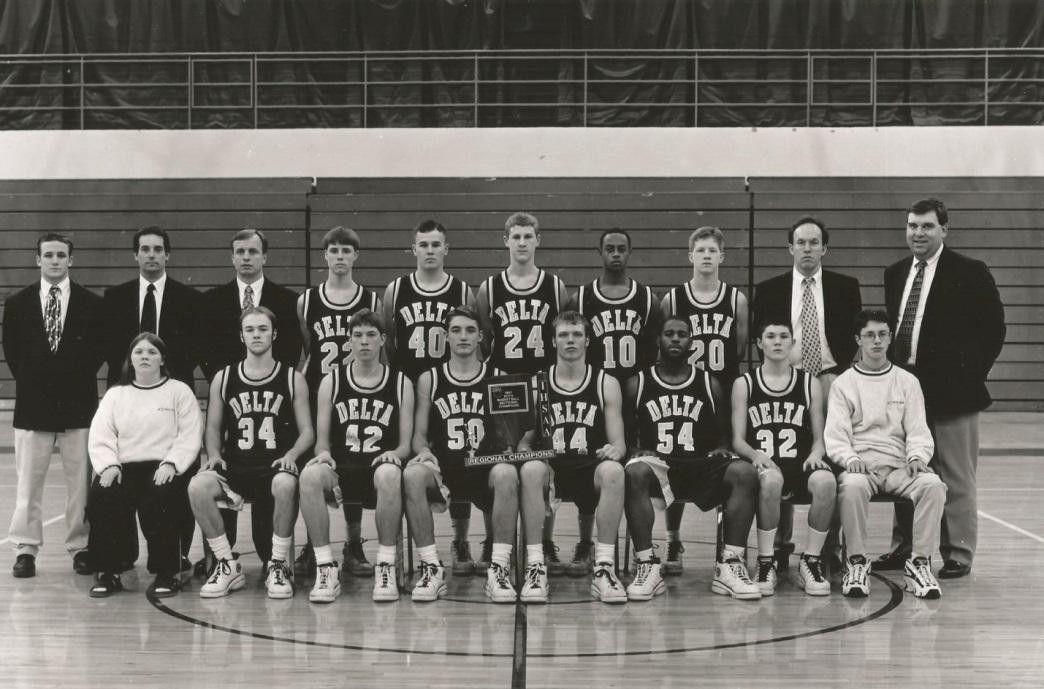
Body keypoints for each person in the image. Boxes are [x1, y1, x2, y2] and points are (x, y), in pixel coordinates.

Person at [879, 198, 1005, 580]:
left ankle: (958, 552)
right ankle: (905, 546)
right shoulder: (895, 273)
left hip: (955, 392)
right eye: (912, 226)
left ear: (944, 230)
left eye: (927, 226)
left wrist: (968, 376)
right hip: (905, 391)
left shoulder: (970, 271)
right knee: (907, 469)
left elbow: (994, 330)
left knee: (956, 475)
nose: (918, 233)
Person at [751, 216, 861, 570]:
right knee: (781, 451)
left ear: (824, 248)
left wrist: (837, 377)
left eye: (815, 242)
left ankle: (829, 546)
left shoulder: (846, 287)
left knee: (830, 458)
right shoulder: (770, 289)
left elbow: (853, 338)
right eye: (801, 242)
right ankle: (779, 544)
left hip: (831, 380)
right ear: (790, 248)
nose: (808, 248)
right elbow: (761, 339)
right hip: (787, 381)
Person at [624, 317, 760, 602]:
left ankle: (730, 564)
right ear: (658, 340)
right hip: (660, 466)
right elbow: (625, 435)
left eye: (682, 334)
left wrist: (722, 447)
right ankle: (647, 564)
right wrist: (635, 450)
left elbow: (723, 434)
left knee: (744, 472)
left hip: (698, 464)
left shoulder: (709, 383)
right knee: (634, 472)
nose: (675, 339)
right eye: (669, 333)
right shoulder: (638, 383)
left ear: (692, 342)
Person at [189, 307, 313, 599]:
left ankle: (278, 564)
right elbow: (213, 428)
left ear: (274, 334)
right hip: (236, 468)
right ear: (241, 336)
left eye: (262, 329)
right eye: (250, 330)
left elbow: (307, 431)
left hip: (274, 469)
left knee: (285, 483)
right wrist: (214, 454)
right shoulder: (224, 377)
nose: (256, 335)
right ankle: (226, 563)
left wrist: (291, 456)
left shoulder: (292, 377)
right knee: (197, 486)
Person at [3, 233, 105, 578]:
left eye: (61, 255)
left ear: (70, 260)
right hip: (33, 405)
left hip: (78, 403)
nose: (55, 260)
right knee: (28, 483)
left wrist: (67, 380)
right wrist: (40, 382)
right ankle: (25, 549)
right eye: (49, 255)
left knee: (80, 483)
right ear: (38, 260)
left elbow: (96, 353)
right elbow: (13, 353)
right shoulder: (17, 303)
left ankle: (80, 546)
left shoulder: (91, 303)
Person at [476, 212, 572, 576]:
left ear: (537, 240)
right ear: (506, 241)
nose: (521, 242)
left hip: (545, 384)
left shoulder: (555, 287)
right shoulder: (489, 288)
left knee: (544, 462)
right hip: (505, 385)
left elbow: (561, 333)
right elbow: (486, 338)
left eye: (527, 236)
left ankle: (544, 541)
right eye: (515, 236)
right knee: (499, 459)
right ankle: (492, 540)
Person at [101, 226, 202, 570]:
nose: (151, 255)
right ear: (136, 255)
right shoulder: (115, 297)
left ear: (167, 254)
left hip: (172, 400)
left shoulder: (189, 299)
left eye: (158, 249)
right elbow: (109, 350)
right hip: (128, 398)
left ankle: (178, 553)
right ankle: (121, 556)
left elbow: (195, 351)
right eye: (145, 249)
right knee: (118, 481)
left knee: (176, 477)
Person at [403, 307, 520, 603]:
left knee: (507, 472)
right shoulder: (430, 379)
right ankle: (431, 568)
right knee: (413, 474)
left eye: (470, 330)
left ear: (480, 337)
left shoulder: (499, 377)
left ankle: (499, 568)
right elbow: (418, 435)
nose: (463, 336)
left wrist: (507, 451)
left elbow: (510, 438)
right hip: (446, 469)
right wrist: (424, 451)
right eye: (456, 330)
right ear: (446, 337)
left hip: (485, 470)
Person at [826, 310, 946, 599]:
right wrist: (851, 459)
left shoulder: (907, 381)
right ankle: (856, 562)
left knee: (933, 485)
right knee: (851, 488)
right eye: (870, 335)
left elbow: (918, 429)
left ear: (891, 337)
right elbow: (836, 435)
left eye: (882, 334)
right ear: (858, 340)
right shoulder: (843, 384)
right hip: (862, 467)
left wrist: (917, 457)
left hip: (899, 467)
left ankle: (919, 565)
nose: (877, 341)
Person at [384, 220, 479, 577]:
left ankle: (460, 539)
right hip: (411, 391)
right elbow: (389, 341)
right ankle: (403, 549)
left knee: (461, 456)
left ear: (445, 249)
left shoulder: (462, 290)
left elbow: (473, 338)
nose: (429, 250)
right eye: (423, 244)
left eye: (435, 244)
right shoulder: (396, 290)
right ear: (414, 249)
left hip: (454, 387)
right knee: (413, 467)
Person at [299, 309, 413, 603]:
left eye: (371, 335)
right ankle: (325, 567)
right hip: (342, 471)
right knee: (309, 475)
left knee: (390, 472)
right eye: (358, 335)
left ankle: (385, 566)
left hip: (378, 473)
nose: (364, 341)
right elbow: (321, 442)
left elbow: (405, 445)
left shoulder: (401, 382)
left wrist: (394, 454)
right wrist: (324, 454)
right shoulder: (332, 381)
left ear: (383, 340)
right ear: (348, 340)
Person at [517, 311, 628, 604]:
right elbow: (524, 443)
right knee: (530, 470)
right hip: (551, 470)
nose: (570, 340)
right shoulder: (537, 384)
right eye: (563, 335)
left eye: (577, 334)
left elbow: (619, 443)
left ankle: (604, 567)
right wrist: (530, 456)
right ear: (553, 341)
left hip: (589, 468)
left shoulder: (605, 383)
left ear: (587, 340)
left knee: (614, 471)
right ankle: (535, 565)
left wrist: (614, 451)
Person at [658, 226, 749, 576]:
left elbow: (738, 349)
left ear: (722, 256)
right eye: (701, 251)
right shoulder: (674, 299)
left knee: (723, 465)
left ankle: (727, 547)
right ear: (690, 256)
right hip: (682, 392)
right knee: (675, 460)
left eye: (713, 251)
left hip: (720, 395)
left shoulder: (736, 300)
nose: (707, 256)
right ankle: (673, 538)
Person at [86, 333, 203, 598]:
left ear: (162, 359)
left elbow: (190, 434)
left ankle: (167, 571)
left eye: (152, 352)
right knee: (102, 493)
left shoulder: (179, 391)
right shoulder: (116, 395)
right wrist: (109, 465)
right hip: (124, 467)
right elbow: (101, 434)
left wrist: (172, 464)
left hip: (164, 466)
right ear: (130, 359)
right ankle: (111, 570)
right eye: (139, 352)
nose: (145, 357)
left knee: (163, 495)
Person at [296, 226, 381, 578]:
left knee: (353, 464)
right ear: (325, 256)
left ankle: (354, 543)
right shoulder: (307, 300)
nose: (340, 257)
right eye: (334, 251)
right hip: (321, 392)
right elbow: (308, 350)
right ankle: (311, 544)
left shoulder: (371, 299)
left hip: (357, 395)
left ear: (356, 255)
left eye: (347, 250)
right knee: (315, 469)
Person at [731, 319, 833, 597]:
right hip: (766, 465)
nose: (777, 341)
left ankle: (810, 561)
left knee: (826, 482)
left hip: (800, 464)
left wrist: (817, 451)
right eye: (771, 336)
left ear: (792, 342)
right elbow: (738, 439)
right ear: (759, 343)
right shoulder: (744, 383)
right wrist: (754, 454)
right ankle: (767, 561)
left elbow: (819, 435)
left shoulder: (809, 383)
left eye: (784, 336)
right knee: (772, 480)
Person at [199, 228, 301, 380]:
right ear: (233, 258)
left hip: (275, 385)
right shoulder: (211, 300)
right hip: (226, 385)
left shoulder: (288, 300)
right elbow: (205, 350)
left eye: (253, 252)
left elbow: (291, 350)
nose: (246, 257)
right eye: (240, 252)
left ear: (264, 257)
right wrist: (225, 382)